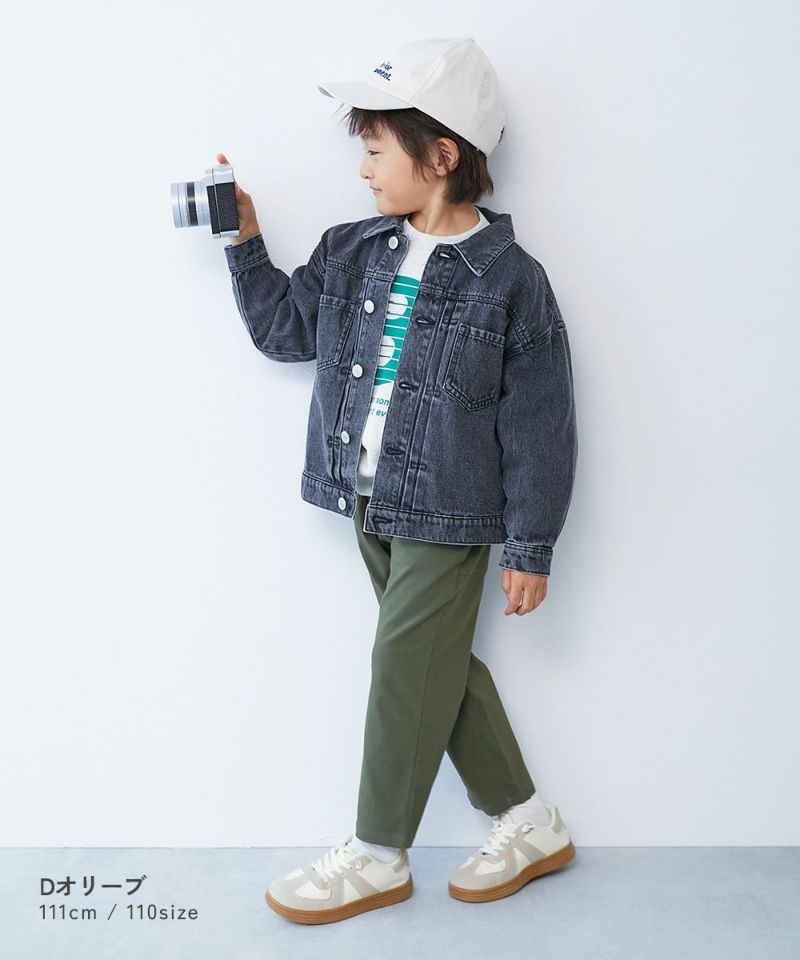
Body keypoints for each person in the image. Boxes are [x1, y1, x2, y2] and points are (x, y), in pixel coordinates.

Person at [218, 36, 578, 925]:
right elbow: (284, 333)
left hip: (452, 506)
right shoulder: (352, 251)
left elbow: (540, 423)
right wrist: (243, 238)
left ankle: (378, 854)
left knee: (401, 667)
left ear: (442, 155)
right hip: (367, 496)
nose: (364, 169)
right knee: (432, 666)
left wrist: (530, 545)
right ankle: (529, 821)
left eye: (377, 150)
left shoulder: (512, 281)